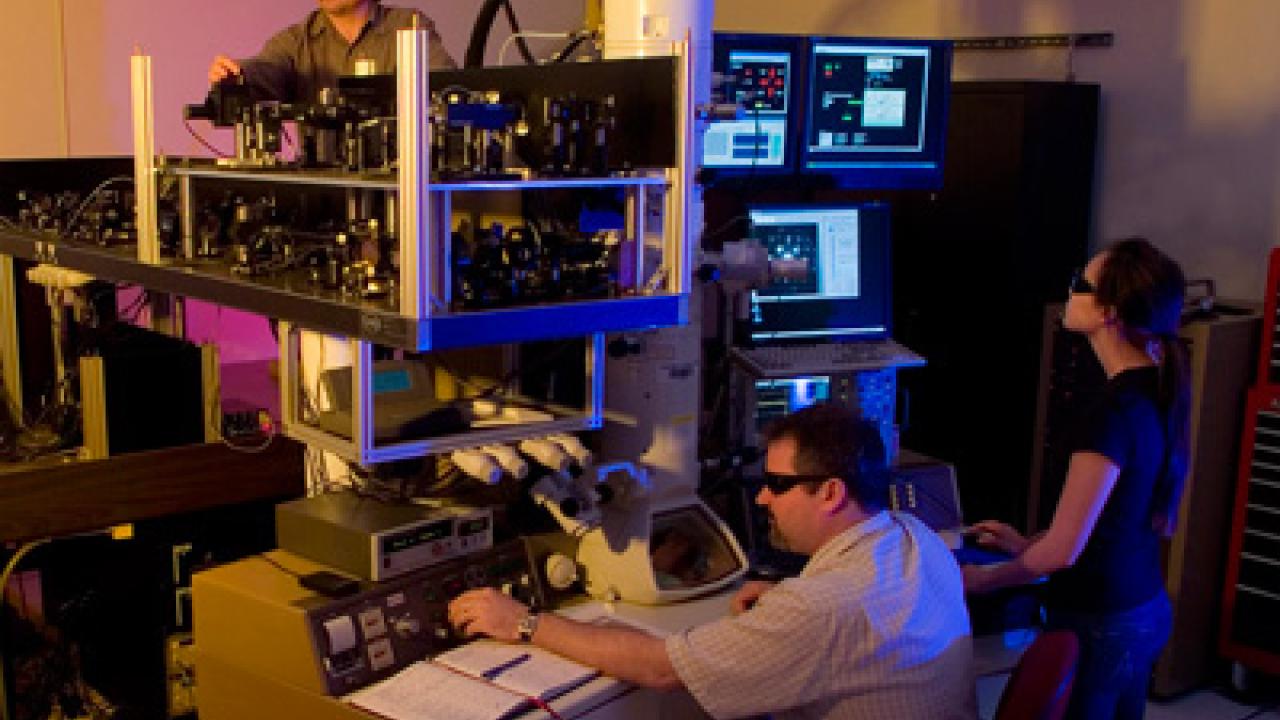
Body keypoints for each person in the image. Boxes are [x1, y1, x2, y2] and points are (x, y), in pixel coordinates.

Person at [448, 403, 976, 720]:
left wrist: (523, 622)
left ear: (832, 492)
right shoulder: (914, 536)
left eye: (778, 485)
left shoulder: (825, 607)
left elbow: (659, 669)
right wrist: (785, 603)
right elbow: (861, 618)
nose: (764, 499)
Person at [962, 238, 1190, 720]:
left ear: (1108, 311)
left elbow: (1063, 551)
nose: (1068, 294)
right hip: (1144, 609)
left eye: (1077, 284)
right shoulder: (1159, 391)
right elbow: (1112, 522)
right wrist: (1026, 546)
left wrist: (983, 580)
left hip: (1102, 622)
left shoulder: (1110, 413)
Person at [207, 0, 456, 104]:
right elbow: (267, 68)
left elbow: (447, 86)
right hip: (324, 195)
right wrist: (238, 75)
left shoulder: (408, 26)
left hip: (400, 187)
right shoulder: (296, 42)